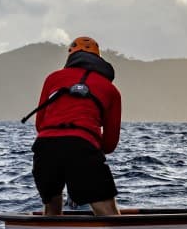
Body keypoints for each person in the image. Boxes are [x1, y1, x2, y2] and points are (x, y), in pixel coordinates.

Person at [23, 36, 123, 216]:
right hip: (82, 147)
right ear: (99, 58)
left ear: (70, 58)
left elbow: (40, 125)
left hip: (45, 149)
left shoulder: (52, 79)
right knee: (108, 213)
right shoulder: (111, 90)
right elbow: (109, 144)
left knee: (52, 209)